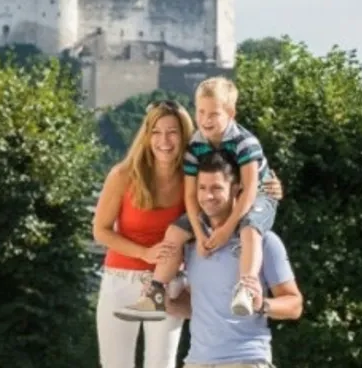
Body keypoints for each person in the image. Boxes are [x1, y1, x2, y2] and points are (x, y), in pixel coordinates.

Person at [117, 76, 279, 321]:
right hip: (216, 198)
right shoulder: (196, 146)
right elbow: (191, 195)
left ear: (231, 113)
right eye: (201, 112)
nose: (205, 120)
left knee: (250, 231)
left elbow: (249, 191)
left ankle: (245, 287)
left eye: (213, 114)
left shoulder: (245, 143)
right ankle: (157, 292)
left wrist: (226, 229)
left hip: (255, 196)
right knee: (174, 231)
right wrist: (199, 232)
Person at [165, 151, 303, 368]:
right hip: (196, 361)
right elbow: (201, 307)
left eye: (217, 188)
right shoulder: (193, 245)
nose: (208, 196)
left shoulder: (263, 241)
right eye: (202, 188)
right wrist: (169, 303)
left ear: (237, 188)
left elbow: (295, 305)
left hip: (246, 359)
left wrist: (261, 305)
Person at [92, 100, 195, 368]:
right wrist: (144, 253)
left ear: (184, 135)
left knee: (161, 364)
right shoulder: (123, 175)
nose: (164, 140)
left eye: (173, 132)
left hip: (167, 283)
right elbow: (100, 231)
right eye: (157, 132)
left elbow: (226, 189)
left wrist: (268, 185)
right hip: (120, 280)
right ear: (147, 135)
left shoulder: (191, 178)